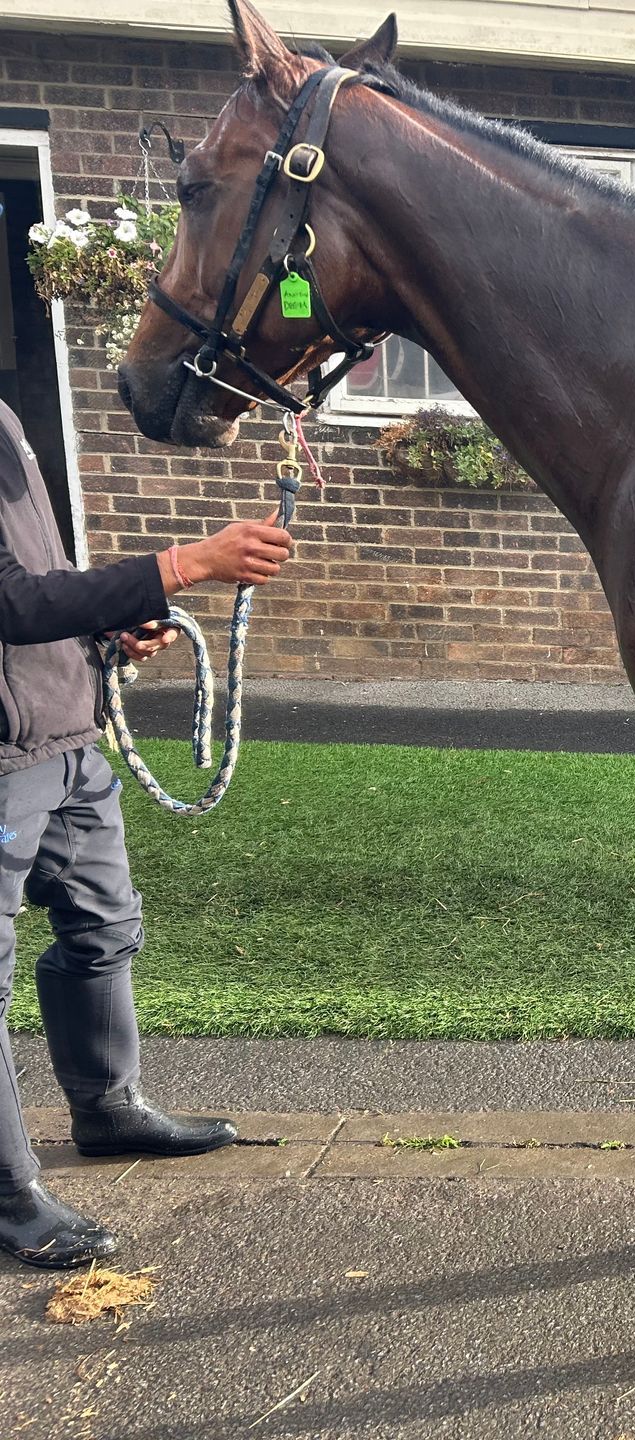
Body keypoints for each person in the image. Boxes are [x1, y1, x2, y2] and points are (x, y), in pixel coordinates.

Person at [0, 397, 291, 1268]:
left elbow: (37, 575)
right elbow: (8, 603)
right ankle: (11, 1198)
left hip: (63, 729)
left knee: (102, 924)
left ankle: (107, 1108)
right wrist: (187, 563)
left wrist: (109, 628)